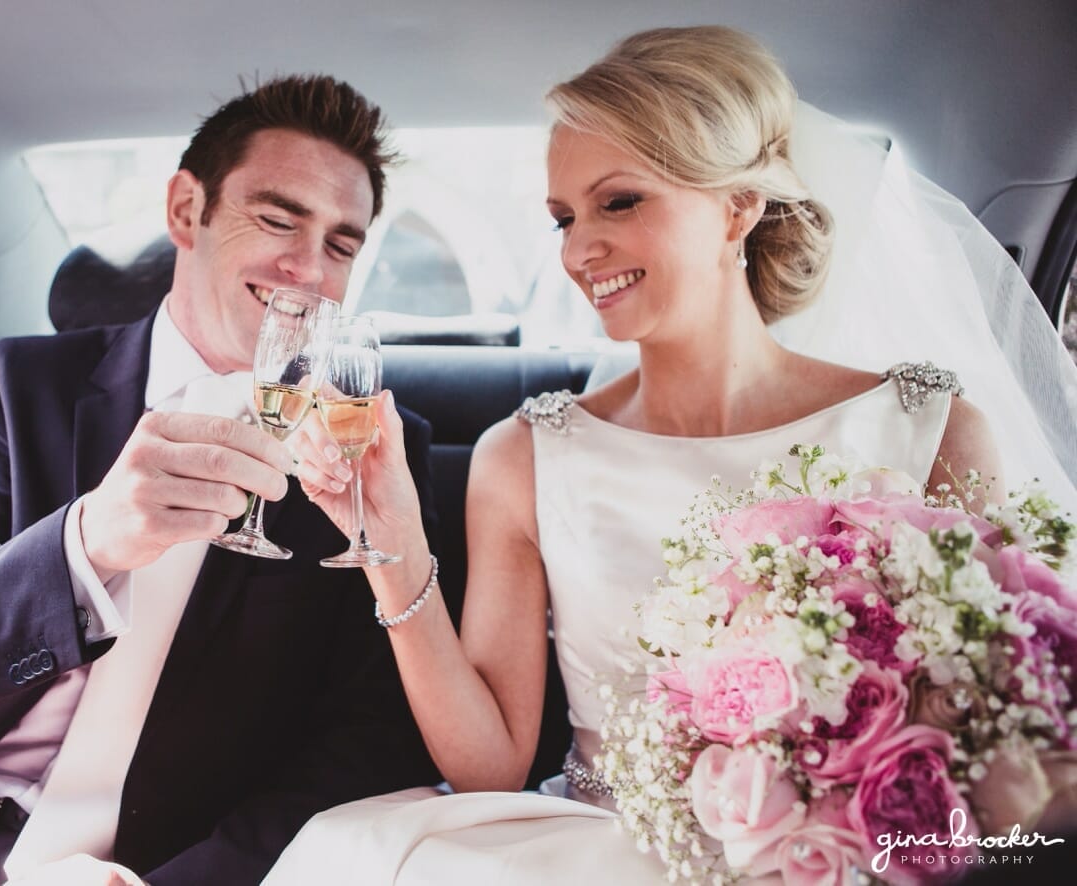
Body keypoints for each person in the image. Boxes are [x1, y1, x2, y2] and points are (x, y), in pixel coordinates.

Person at [266, 25, 1077, 884]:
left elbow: (1001, 729)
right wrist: (392, 544)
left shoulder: (934, 429)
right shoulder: (524, 456)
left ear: (739, 205)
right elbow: (489, 766)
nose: (580, 251)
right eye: (563, 219)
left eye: (619, 203)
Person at [0, 74, 439, 885]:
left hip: (161, 863)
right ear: (186, 210)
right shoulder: (24, 387)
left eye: (341, 244)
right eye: (276, 219)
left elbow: (369, 744)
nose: (307, 268)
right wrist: (87, 542)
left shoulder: (370, 456)